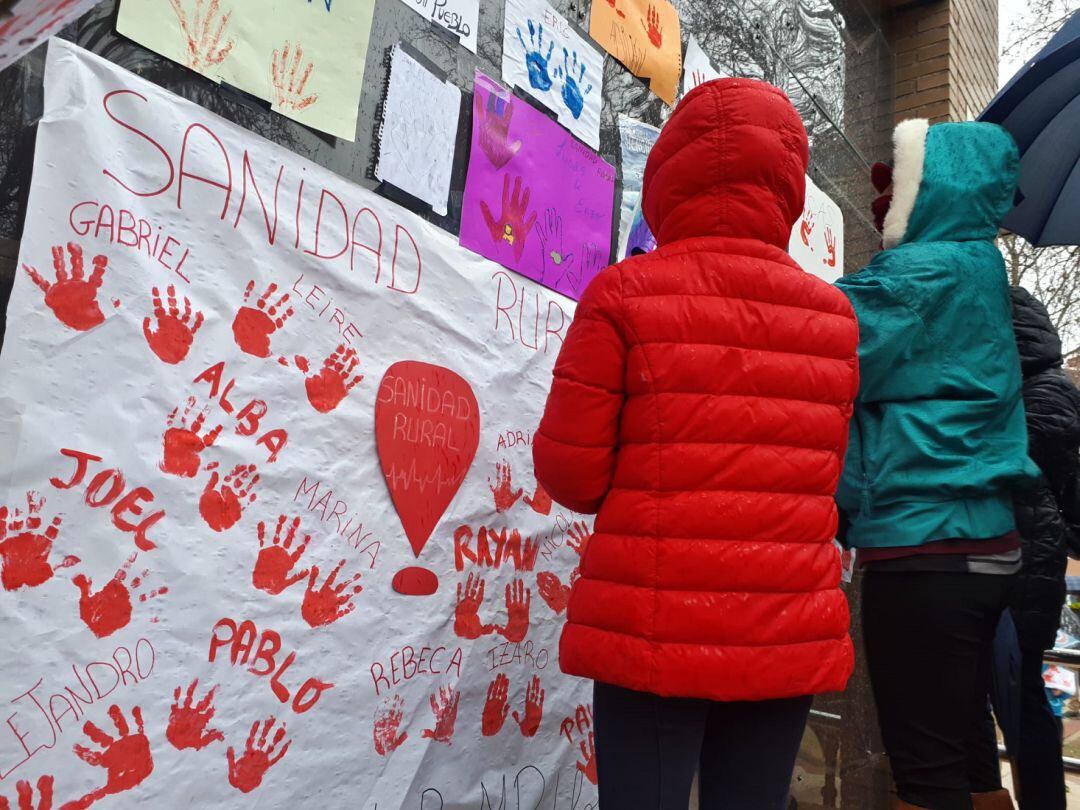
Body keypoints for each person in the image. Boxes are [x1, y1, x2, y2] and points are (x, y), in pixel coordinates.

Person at [533, 78, 860, 810]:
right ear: (787, 184)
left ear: (667, 173)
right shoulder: (835, 319)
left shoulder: (623, 295)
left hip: (654, 629)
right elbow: (827, 477)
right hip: (785, 631)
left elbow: (572, 475)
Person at [834, 119, 1042, 810]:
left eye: (894, 181)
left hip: (929, 544)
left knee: (923, 772)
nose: (880, 198)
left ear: (935, 189)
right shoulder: (977, 265)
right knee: (966, 752)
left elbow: (824, 337)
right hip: (979, 544)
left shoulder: (925, 271)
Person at [979, 286, 1080, 810]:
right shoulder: (1027, 385)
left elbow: (1025, 456)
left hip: (1023, 568)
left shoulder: (1045, 390)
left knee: (1020, 703)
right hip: (1016, 561)